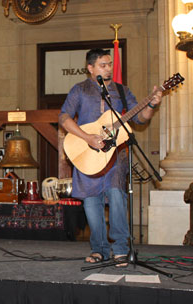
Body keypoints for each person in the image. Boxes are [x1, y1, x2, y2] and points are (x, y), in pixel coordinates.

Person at [59, 48, 161, 266]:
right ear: (90, 68)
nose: (108, 69)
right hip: (87, 153)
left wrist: (152, 104)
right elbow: (64, 118)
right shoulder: (79, 90)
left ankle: (120, 250)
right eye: (103, 65)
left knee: (116, 197)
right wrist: (87, 137)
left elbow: (141, 118)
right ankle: (99, 250)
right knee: (91, 203)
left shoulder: (122, 91)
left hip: (117, 155)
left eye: (109, 64)